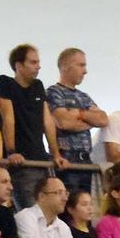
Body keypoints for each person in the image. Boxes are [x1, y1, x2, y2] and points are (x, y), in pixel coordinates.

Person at [0, 43, 56, 203]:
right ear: (18, 65)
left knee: (49, 213)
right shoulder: (4, 83)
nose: (38, 67)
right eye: (33, 62)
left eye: (38, 62)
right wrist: (12, 151)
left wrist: (56, 153)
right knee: (30, 212)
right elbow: (8, 118)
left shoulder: (38, 86)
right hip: (21, 162)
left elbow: (47, 121)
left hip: (42, 160)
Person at [44, 48, 106, 199]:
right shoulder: (53, 92)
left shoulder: (84, 96)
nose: (85, 71)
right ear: (65, 65)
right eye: (81, 65)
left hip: (86, 160)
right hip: (66, 159)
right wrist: (89, 120)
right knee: (68, 206)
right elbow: (64, 122)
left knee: (86, 209)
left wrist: (78, 114)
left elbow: (103, 119)